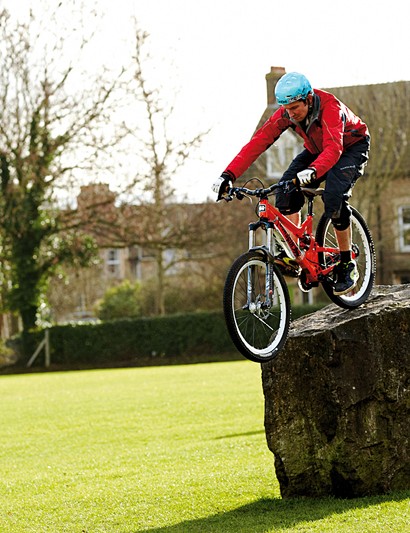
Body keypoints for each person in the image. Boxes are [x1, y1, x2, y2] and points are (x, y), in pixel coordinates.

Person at [212, 72, 370, 295]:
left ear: (308, 99)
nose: (291, 114)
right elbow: (258, 143)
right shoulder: (286, 113)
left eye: (295, 108)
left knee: (334, 198)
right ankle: (298, 252)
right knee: (285, 189)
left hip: (351, 147)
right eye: (286, 109)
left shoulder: (330, 107)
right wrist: (228, 175)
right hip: (316, 150)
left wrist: (313, 171)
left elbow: (334, 148)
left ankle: (347, 264)